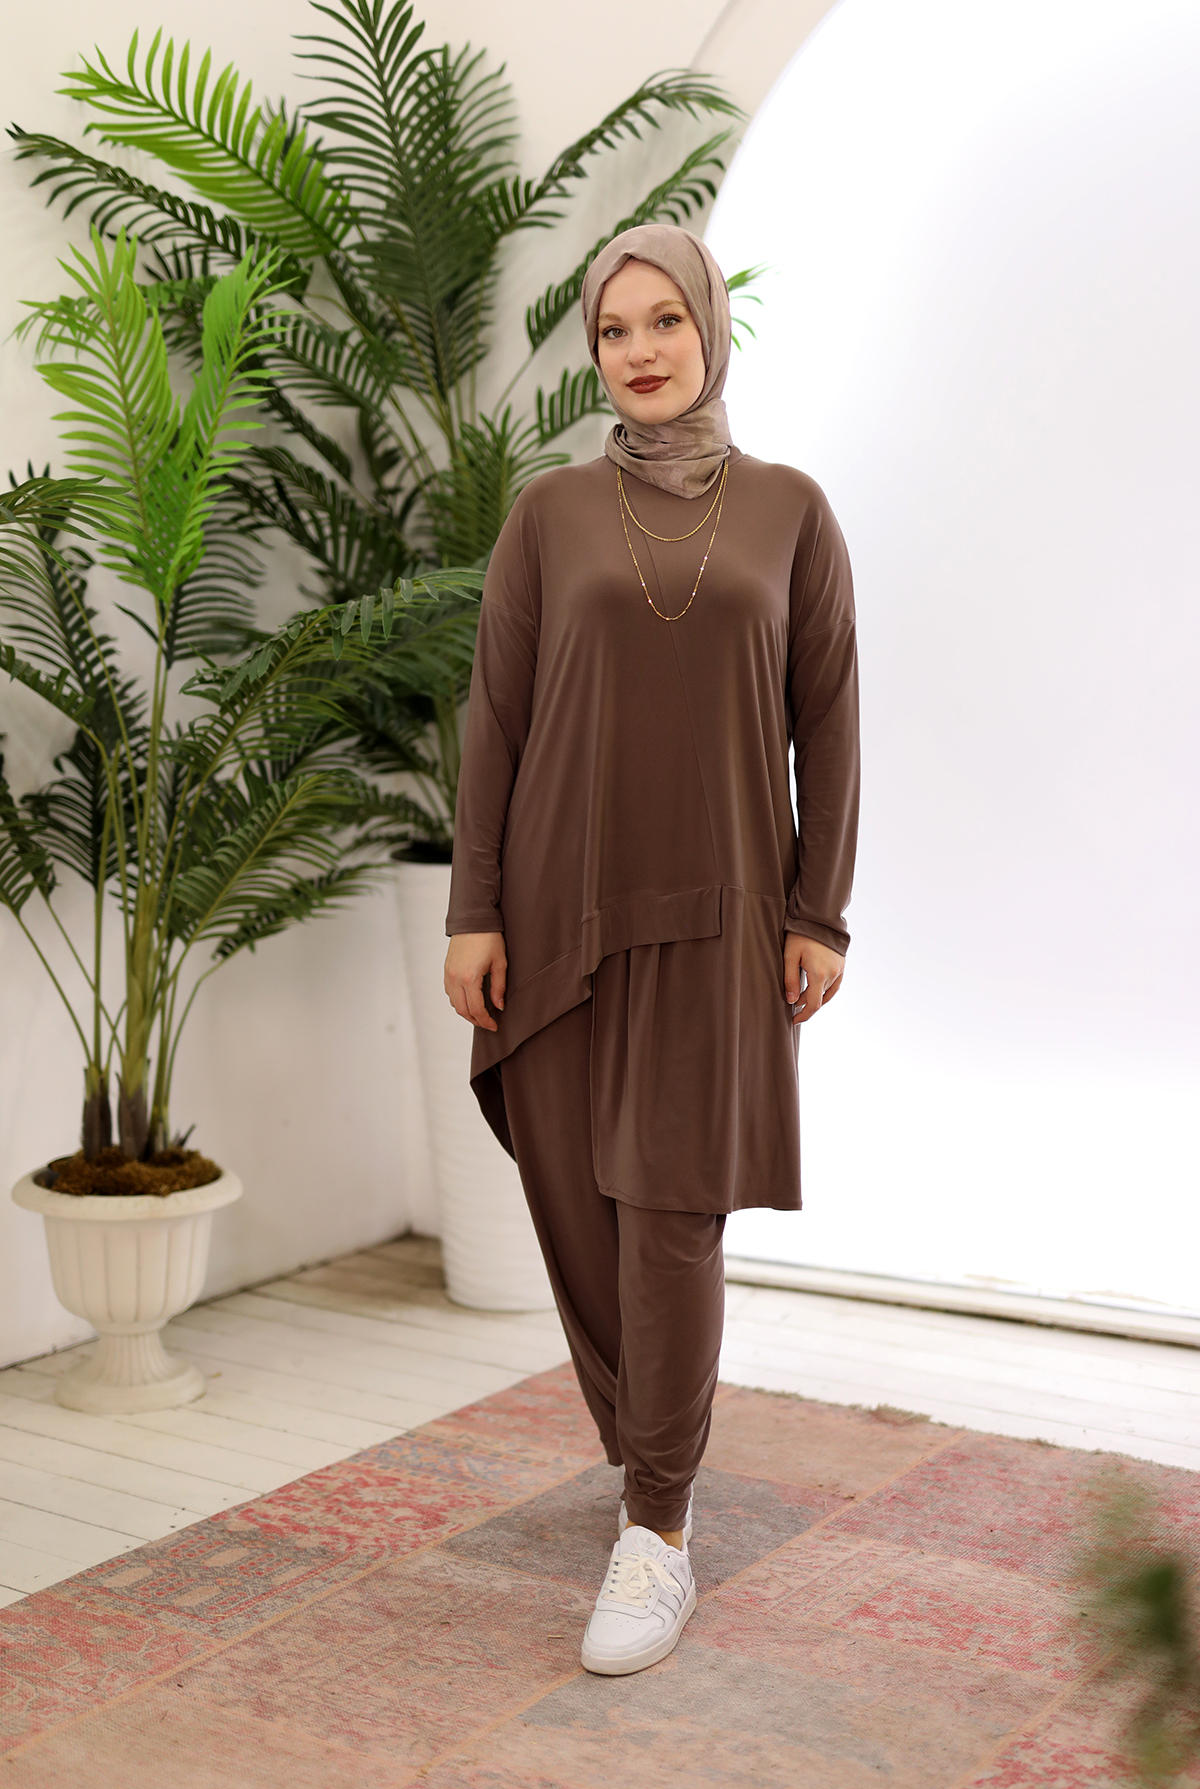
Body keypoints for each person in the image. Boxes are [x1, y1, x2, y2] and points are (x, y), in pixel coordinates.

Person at [443, 222, 859, 1677]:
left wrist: (819, 911)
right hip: (559, 912)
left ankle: (660, 1527)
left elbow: (830, 725)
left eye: (664, 320)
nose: (640, 350)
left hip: (725, 915)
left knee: (672, 1218)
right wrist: (474, 909)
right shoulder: (549, 515)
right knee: (580, 1216)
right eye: (613, 329)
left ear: (710, 329)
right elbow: (495, 720)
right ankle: (649, 1458)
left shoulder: (792, 511)